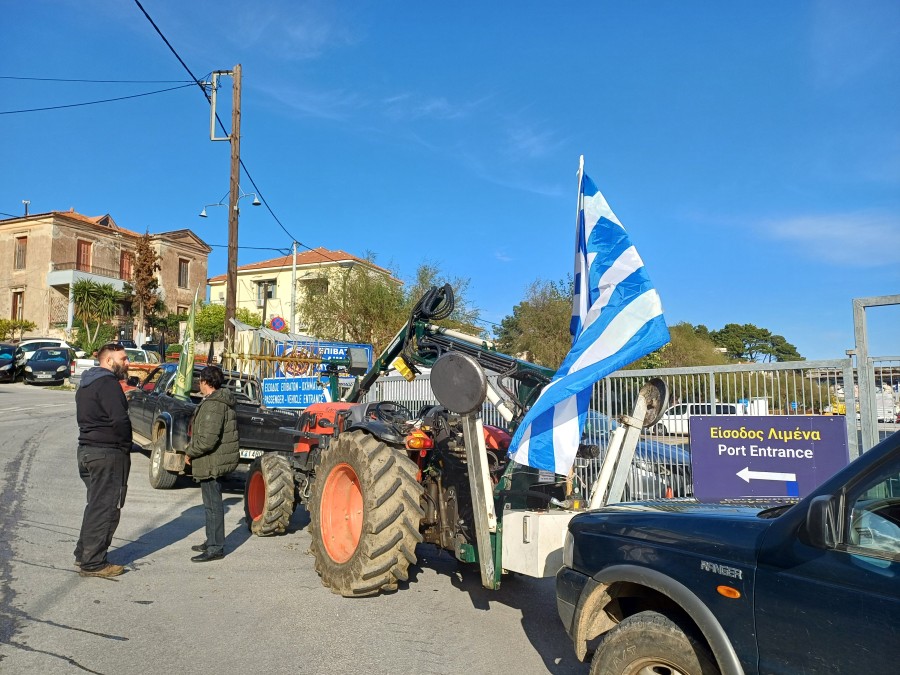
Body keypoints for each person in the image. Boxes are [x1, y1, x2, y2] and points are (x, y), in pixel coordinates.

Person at [74, 342, 131, 577]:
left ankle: (83, 554)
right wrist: (126, 445)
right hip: (106, 453)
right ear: (109, 361)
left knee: (95, 505)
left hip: (87, 451)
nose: (127, 363)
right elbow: (119, 420)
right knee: (106, 507)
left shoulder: (87, 382)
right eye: (124, 359)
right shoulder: (107, 384)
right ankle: (93, 563)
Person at [184, 366, 239, 562]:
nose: (199, 383)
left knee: (213, 505)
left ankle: (216, 547)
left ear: (206, 382)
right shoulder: (214, 401)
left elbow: (207, 439)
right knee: (210, 504)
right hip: (211, 461)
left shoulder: (214, 404)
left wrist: (189, 452)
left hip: (212, 462)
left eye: (200, 380)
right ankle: (212, 540)